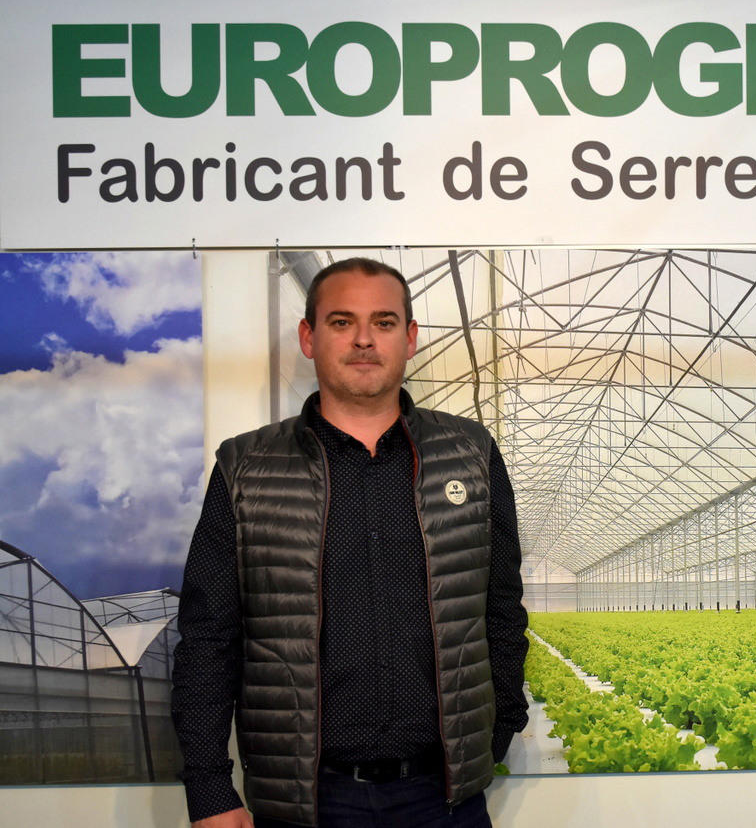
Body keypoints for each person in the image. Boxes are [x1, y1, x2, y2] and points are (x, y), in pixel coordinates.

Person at [171, 257, 529, 828]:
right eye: (342, 322)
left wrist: (499, 727)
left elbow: (501, 607)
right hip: (306, 803)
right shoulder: (246, 469)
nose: (364, 339)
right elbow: (209, 635)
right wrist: (210, 786)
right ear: (308, 337)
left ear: (409, 338)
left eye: (384, 322)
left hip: (444, 799)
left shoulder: (471, 455)